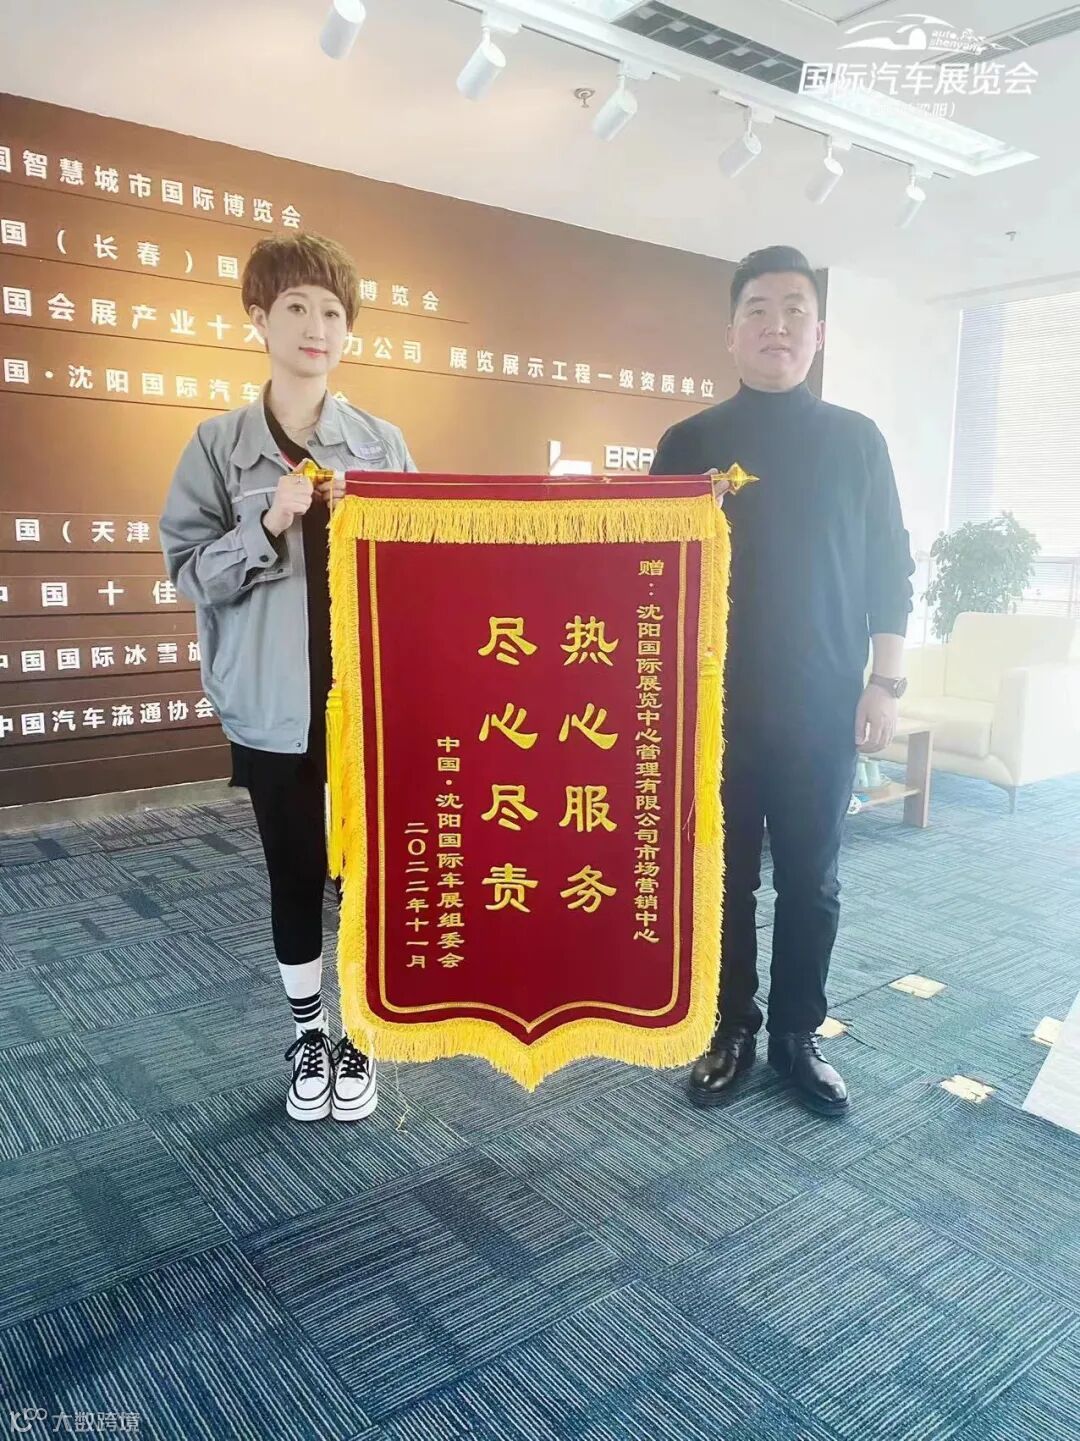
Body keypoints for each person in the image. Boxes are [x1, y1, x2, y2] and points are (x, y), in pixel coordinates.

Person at [651, 245, 914, 1115]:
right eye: (759, 310)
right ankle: (730, 1026)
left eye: (795, 309)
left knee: (813, 879)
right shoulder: (688, 444)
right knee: (722, 879)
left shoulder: (857, 440)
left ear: (819, 332)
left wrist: (884, 683)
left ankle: (798, 1034)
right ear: (731, 333)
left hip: (823, 705)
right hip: (712, 709)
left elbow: (890, 569)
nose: (778, 326)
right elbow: (638, 569)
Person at [160, 232, 416, 1123]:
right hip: (272, 711)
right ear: (259, 319)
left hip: (369, 711)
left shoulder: (380, 444)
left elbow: (429, 569)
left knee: (370, 879)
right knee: (296, 872)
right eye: (298, 307)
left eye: (333, 312)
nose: (317, 327)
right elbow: (189, 574)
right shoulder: (217, 445)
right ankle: (309, 1032)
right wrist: (266, 524)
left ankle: (361, 1034)